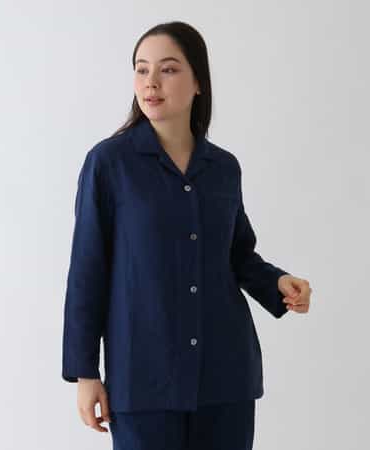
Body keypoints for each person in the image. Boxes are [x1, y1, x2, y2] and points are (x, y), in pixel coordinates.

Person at [61, 20, 312, 450]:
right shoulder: (109, 164)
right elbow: (87, 271)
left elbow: (237, 255)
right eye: (142, 69)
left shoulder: (223, 168)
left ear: (198, 82)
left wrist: (277, 283)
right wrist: (86, 373)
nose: (151, 82)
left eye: (169, 69)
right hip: (143, 379)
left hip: (224, 377)